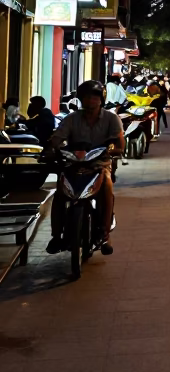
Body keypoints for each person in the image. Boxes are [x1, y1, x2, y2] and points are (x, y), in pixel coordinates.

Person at [45, 79, 124, 255]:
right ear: (81, 99)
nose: (91, 101)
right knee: (60, 192)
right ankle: (56, 235)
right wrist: (51, 148)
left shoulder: (112, 118)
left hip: (99, 164)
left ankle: (105, 233)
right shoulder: (71, 119)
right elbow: (57, 138)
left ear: (101, 99)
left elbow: (120, 144)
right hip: (73, 163)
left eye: (95, 97)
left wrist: (112, 151)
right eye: (87, 97)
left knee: (107, 187)